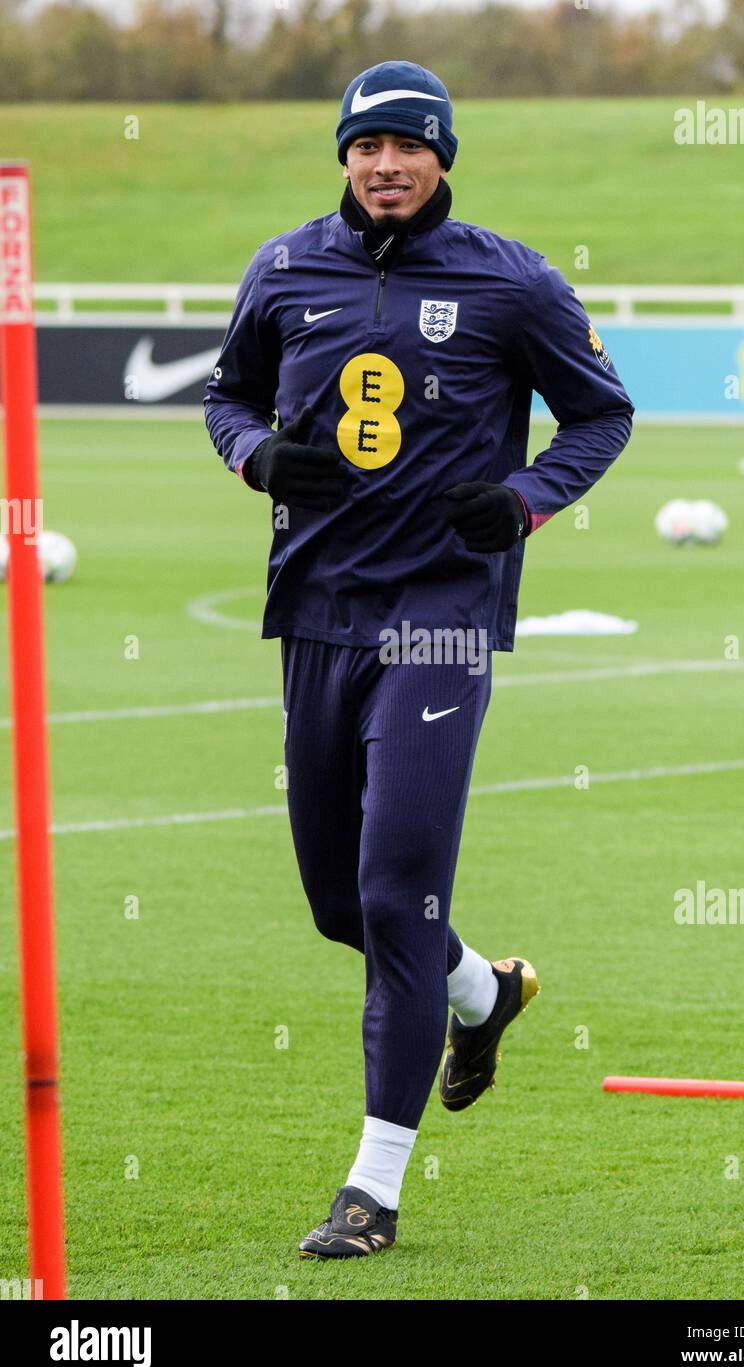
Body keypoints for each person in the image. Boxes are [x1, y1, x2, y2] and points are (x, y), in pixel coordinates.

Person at [204, 59, 634, 1259]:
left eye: (407, 145)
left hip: (441, 619)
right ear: (342, 157)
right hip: (317, 616)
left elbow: (601, 411)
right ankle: (481, 995)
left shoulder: (511, 280)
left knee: (396, 892)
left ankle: (372, 1190)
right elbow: (226, 396)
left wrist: (527, 498)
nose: (383, 164)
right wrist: (253, 456)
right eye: (363, 146)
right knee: (341, 905)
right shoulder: (285, 269)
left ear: (442, 154)